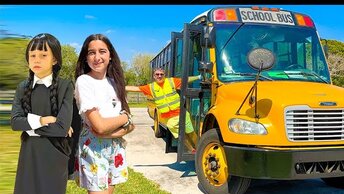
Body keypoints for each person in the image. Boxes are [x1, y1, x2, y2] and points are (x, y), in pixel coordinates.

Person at [10, 33, 74, 194]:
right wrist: (44, 120)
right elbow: (15, 123)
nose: (36, 59)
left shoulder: (65, 86)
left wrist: (29, 126)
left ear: (54, 59)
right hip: (28, 154)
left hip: (55, 155)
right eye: (32, 55)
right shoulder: (22, 87)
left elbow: (61, 128)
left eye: (43, 55)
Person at [74, 33, 134, 194]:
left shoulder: (115, 83)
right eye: (91, 52)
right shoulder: (84, 82)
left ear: (110, 56)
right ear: (85, 57)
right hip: (94, 148)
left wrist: (121, 124)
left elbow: (131, 124)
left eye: (102, 51)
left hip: (115, 147)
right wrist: (125, 118)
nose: (97, 57)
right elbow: (99, 127)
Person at [126, 67, 199, 152]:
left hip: (182, 113)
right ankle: (192, 150)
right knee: (181, 135)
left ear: (164, 75)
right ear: (154, 76)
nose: (159, 76)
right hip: (169, 118)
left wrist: (199, 77)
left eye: (161, 74)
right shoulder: (151, 87)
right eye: (157, 74)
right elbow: (136, 88)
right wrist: (117, 86)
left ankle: (200, 148)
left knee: (191, 132)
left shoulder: (171, 81)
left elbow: (186, 80)